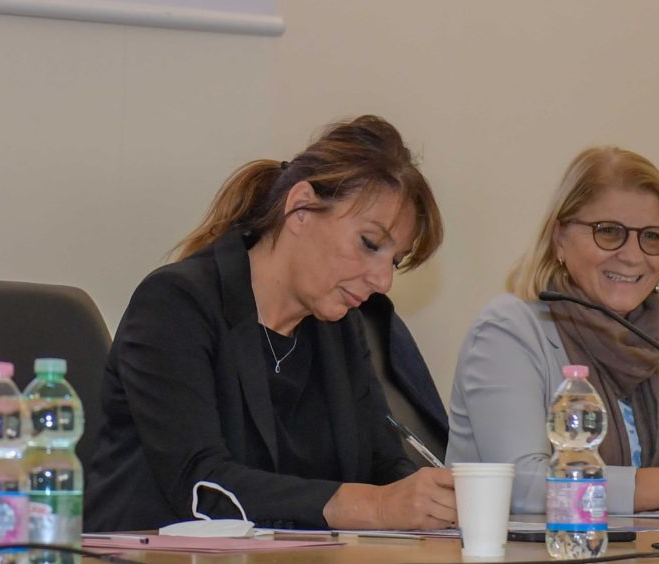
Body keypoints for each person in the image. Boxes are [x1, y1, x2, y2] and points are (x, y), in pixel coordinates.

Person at [85, 115, 456, 531]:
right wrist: (375, 507)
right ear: (300, 208)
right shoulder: (175, 303)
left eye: (395, 261)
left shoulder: (340, 327)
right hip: (148, 562)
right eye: (369, 244)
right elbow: (200, 483)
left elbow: (382, 463)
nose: (383, 280)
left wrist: (436, 503)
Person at [446, 146, 659, 515]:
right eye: (609, 232)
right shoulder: (508, 331)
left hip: (637, 549)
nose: (632, 256)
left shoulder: (649, 338)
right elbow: (520, 485)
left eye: (651, 236)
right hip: (529, 552)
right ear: (560, 238)